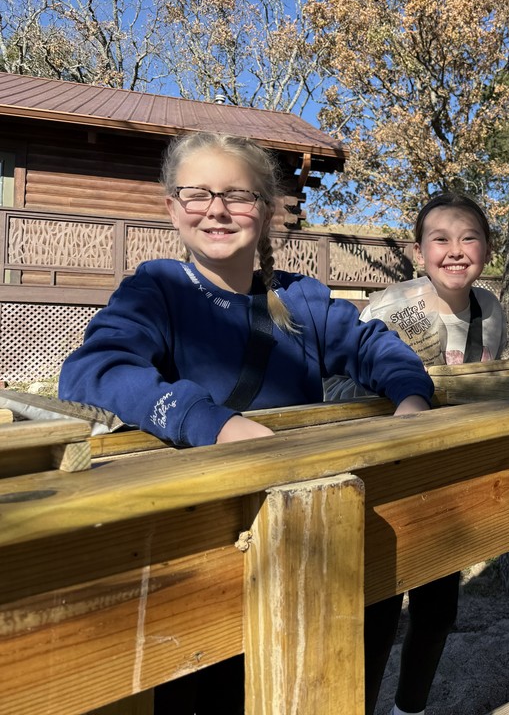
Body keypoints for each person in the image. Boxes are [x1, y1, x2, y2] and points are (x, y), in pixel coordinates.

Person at [58, 131, 434, 714]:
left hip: (312, 537)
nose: (217, 209)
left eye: (238, 195)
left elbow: (373, 348)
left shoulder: (303, 299)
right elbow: (92, 372)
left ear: (266, 210)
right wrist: (211, 422)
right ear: (171, 208)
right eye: (198, 194)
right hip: (204, 549)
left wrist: (411, 399)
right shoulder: (156, 289)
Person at [325, 192, 506, 715]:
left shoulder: (490, 309)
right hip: (384, 481)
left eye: (469, 237)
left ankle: (412, 707)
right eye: (440, 239)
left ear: (488, 249)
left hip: (446, 478)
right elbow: (335, 392)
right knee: (377, 613)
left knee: (437, 609)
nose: (455, 250)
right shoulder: (389, 310)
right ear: (417, 251)